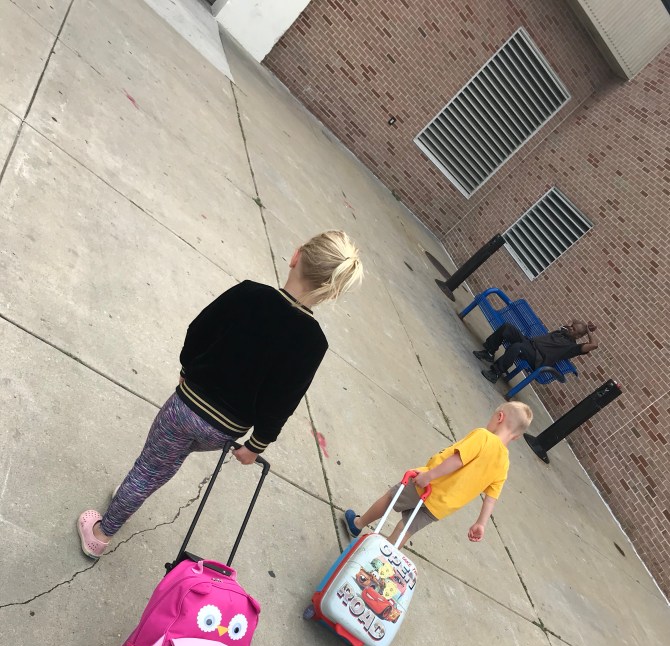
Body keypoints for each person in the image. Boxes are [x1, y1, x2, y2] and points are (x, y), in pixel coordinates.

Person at [77, 231, 363, 559]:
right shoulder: (314, 343)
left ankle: (100, 534)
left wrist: (187, 368)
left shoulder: (250, 294)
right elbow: (283, 401)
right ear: (332, 291)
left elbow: (199, 329)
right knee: (168, 461)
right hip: (224, 431)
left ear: (296, 256)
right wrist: (256, 445)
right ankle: (132, 494)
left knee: (149, 467)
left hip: (186, 407)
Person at [343, 401, 533, 546]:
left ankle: (357, 524)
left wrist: (429, 476)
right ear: (516, 437)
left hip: (428, 486)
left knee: (391, 498)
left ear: (499, 417)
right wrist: (480, 523)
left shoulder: (484, 437)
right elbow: (491, 498)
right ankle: (378, 564)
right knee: (405, 529)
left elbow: (457, 460)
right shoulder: (504, 464)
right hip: (442, 506)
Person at [475, 319, 598, 384]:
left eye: (573, 329)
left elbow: (594, 345)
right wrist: (582, 325)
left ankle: (495, 373)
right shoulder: (562, 332)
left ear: (578, 336)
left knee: (517, 347)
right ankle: (489, 353)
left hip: (536, 356)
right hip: (529, 343)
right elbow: (573, 319)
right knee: (507, 327)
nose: (570, 328)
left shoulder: (572, 348)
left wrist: (588, 331)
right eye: (571, 326)